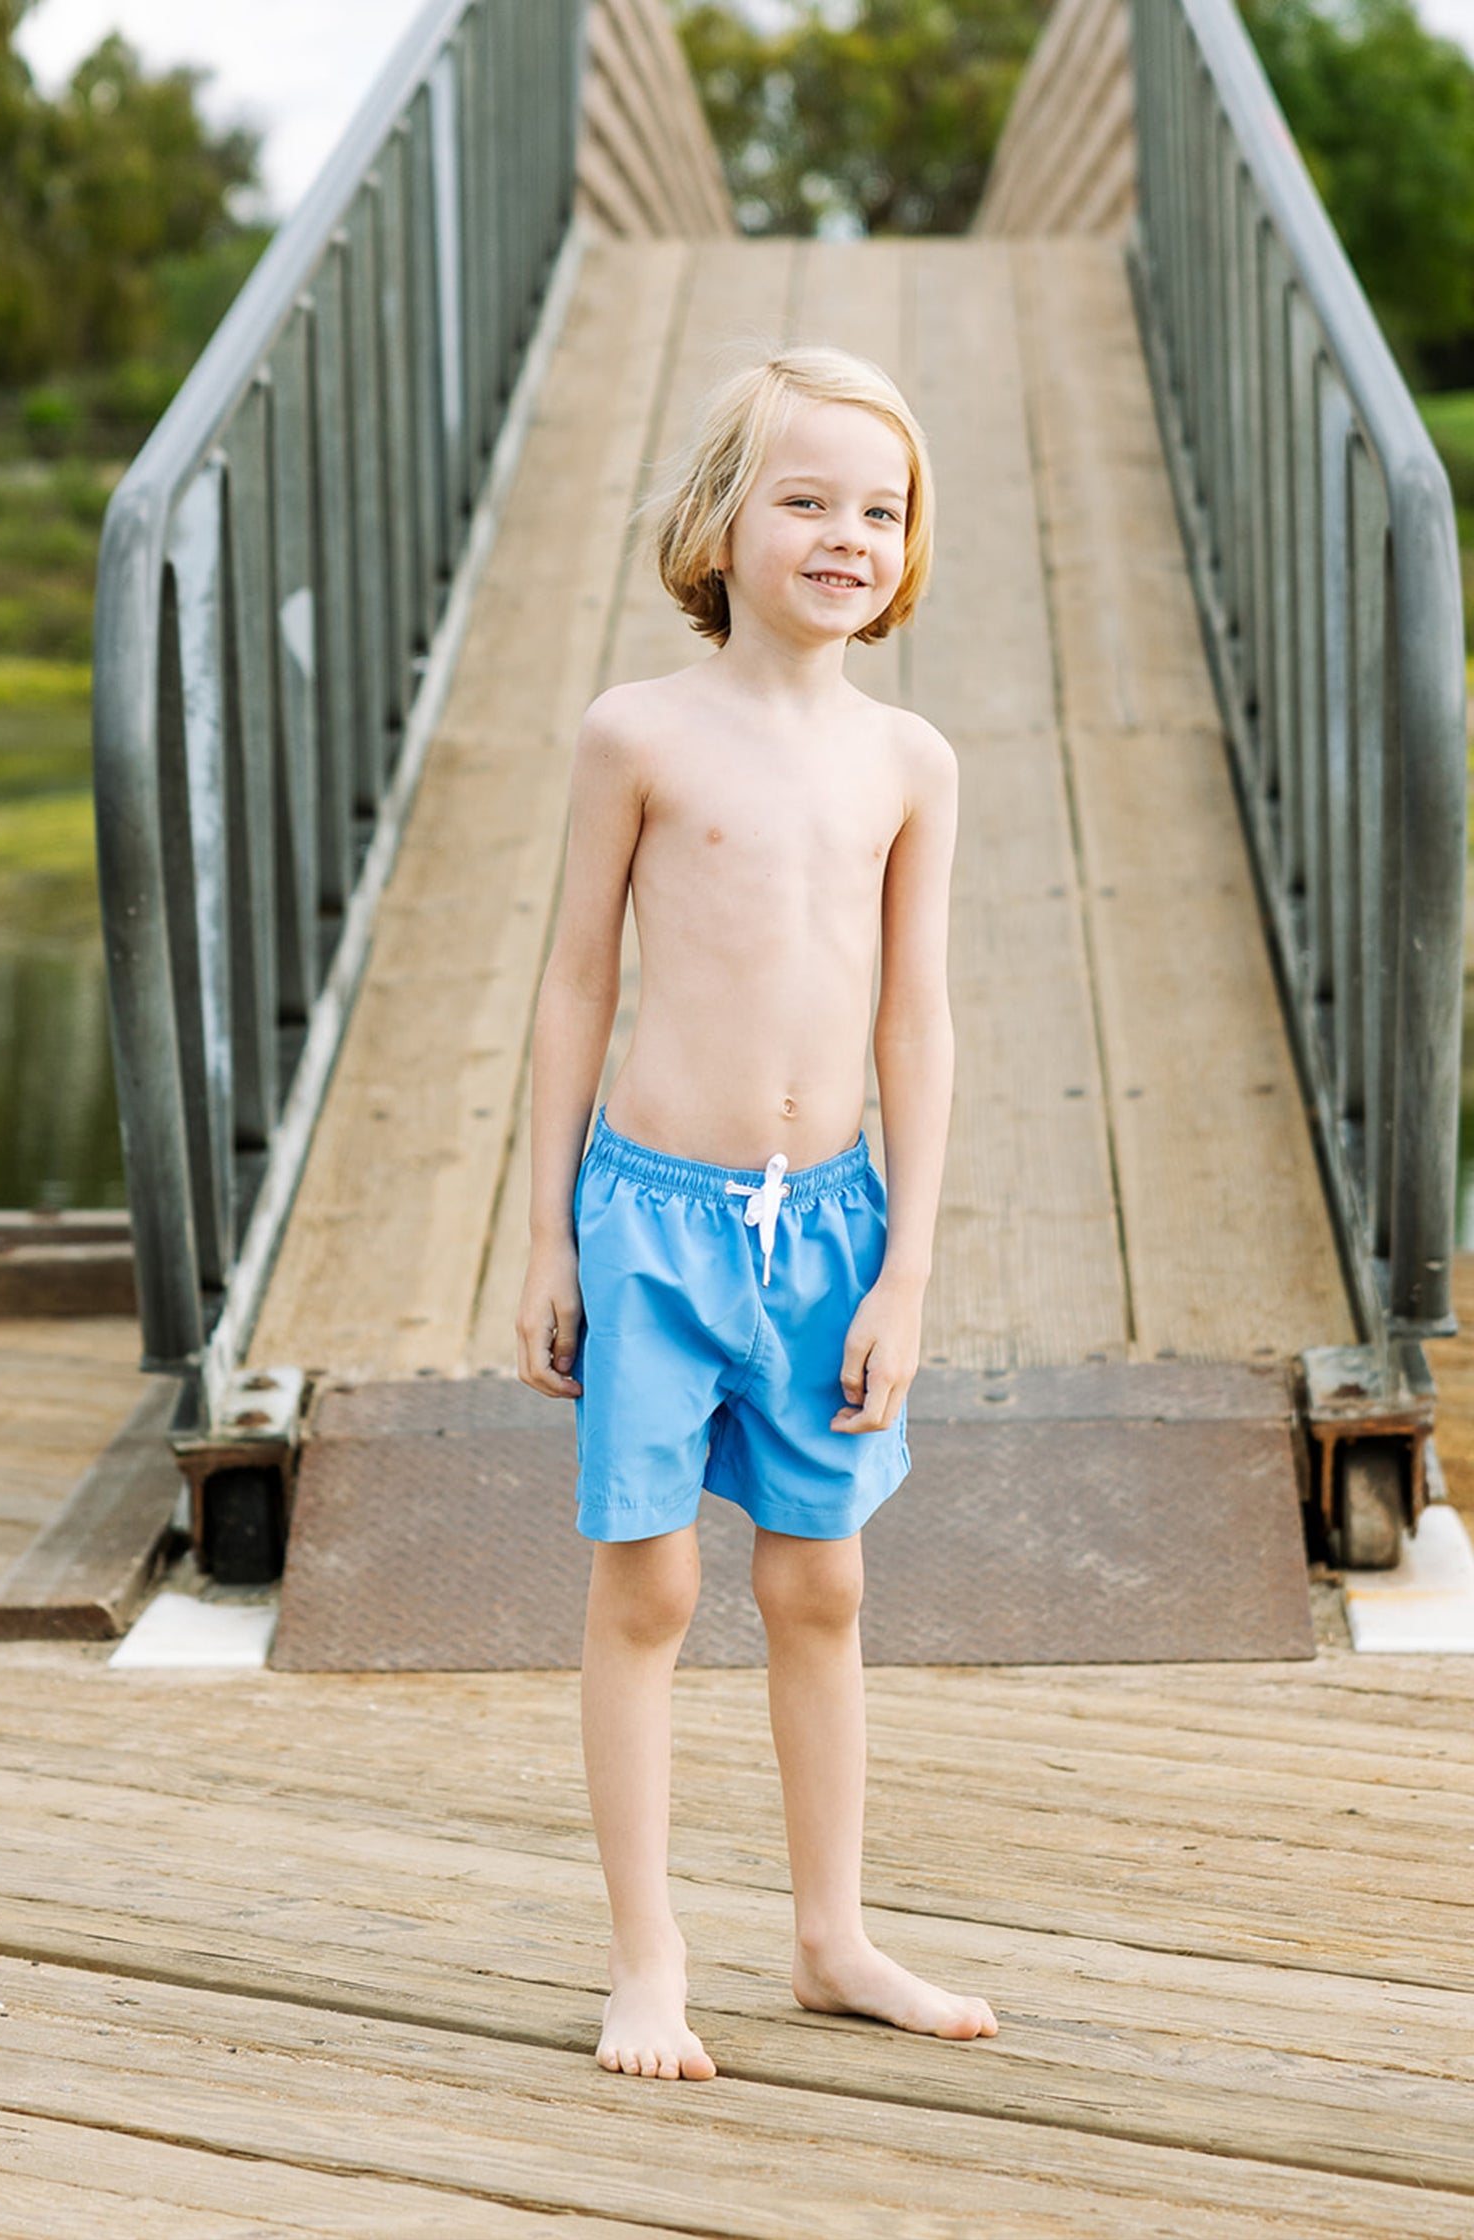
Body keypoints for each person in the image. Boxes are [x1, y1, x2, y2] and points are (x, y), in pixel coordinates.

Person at [516, 346, 998, 2082]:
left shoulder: (912, 761)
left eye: (882, 509)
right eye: (806, 499)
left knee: (822, 1586)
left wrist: (909, 1273)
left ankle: (829, 1935)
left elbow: (916, 1020)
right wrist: (549, 1228)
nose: (846, 535)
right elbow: (577, 984)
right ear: (721, 526)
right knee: (646, 1591)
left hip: (832, 1232)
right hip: (652, 1220)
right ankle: (650, 1959)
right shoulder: (636, 733)